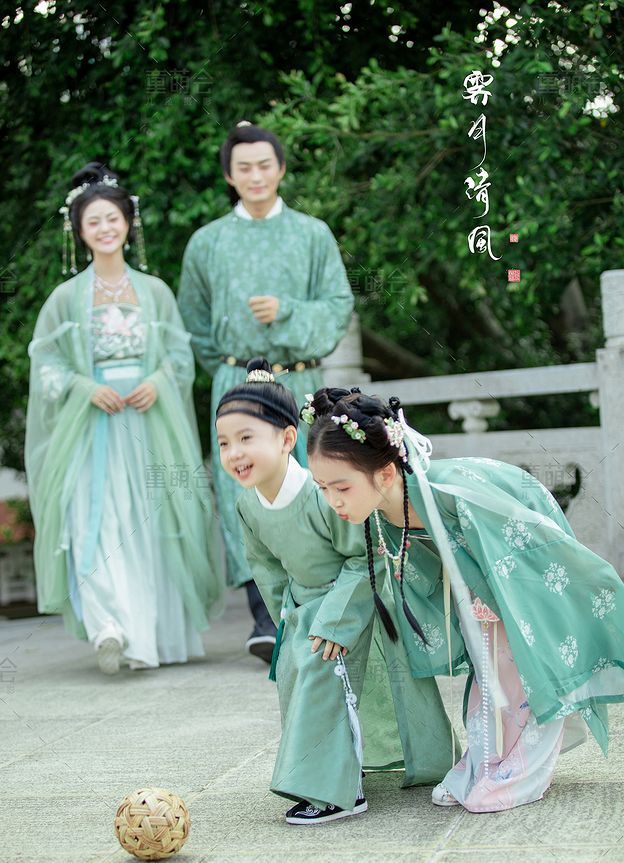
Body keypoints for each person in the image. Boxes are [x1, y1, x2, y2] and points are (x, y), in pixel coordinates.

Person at [305, 387, 624, 813]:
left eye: (341, 487)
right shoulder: (384, 509)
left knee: (517, 664)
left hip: (517, 556)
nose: (333, 501)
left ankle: (521, 770)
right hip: (483, 574)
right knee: (487, 667)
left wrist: (492, 596)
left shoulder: (453, 494)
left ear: (385, 474)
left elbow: (522, 545)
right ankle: (484, 761)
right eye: (323, 488)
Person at [215, 358, 459, 823]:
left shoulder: (322, 493)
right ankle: (338, 772)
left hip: (352, 600)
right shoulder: (248, 506)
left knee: (323, 677)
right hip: (304, 608)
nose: (234, 453)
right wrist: (286, 618)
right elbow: (266, 568)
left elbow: (363, 557)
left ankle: (337, 792)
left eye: (247, 438)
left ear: (287, 439)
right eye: (224, 443)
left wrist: (334, 621)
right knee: (298, 680)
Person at [25, 162, 224, 675]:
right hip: (90, 428)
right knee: (90, 519)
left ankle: (153, 639)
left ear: (129, 223)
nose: (105, 228)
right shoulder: (65, 299)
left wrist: (157, 380)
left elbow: (178, 357)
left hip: (148, 420)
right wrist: (84, 386)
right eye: (93, 221)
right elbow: (45, 362)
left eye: (112, 218)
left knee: (152, 522)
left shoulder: (154, 291)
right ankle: (108, 627)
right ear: (79, 231)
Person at [178, 122, 354, 663]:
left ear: (280, 169)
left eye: (264, 165)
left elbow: (338, 305)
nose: (255, 176)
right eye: (244, 168)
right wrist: (231, 370)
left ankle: (323, 603)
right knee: (247, 484)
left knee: (311, 481)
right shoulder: (207, 242)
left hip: (298, 379)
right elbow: (194, 321)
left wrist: (288, 313)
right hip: (237, 383)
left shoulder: (312, 234)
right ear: (229, 176)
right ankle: (265, 616)